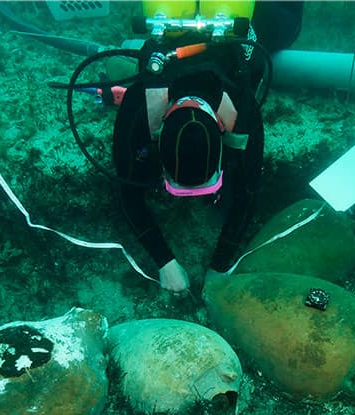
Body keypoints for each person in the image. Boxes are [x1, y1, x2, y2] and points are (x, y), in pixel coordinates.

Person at [112, 1, 304, 294]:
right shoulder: (141, 102)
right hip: (211, 31)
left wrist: (220, 265)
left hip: (240, 35)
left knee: (285, 21)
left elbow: (248, 193)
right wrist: (165, 262)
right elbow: (126, 190)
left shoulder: (241, 108)